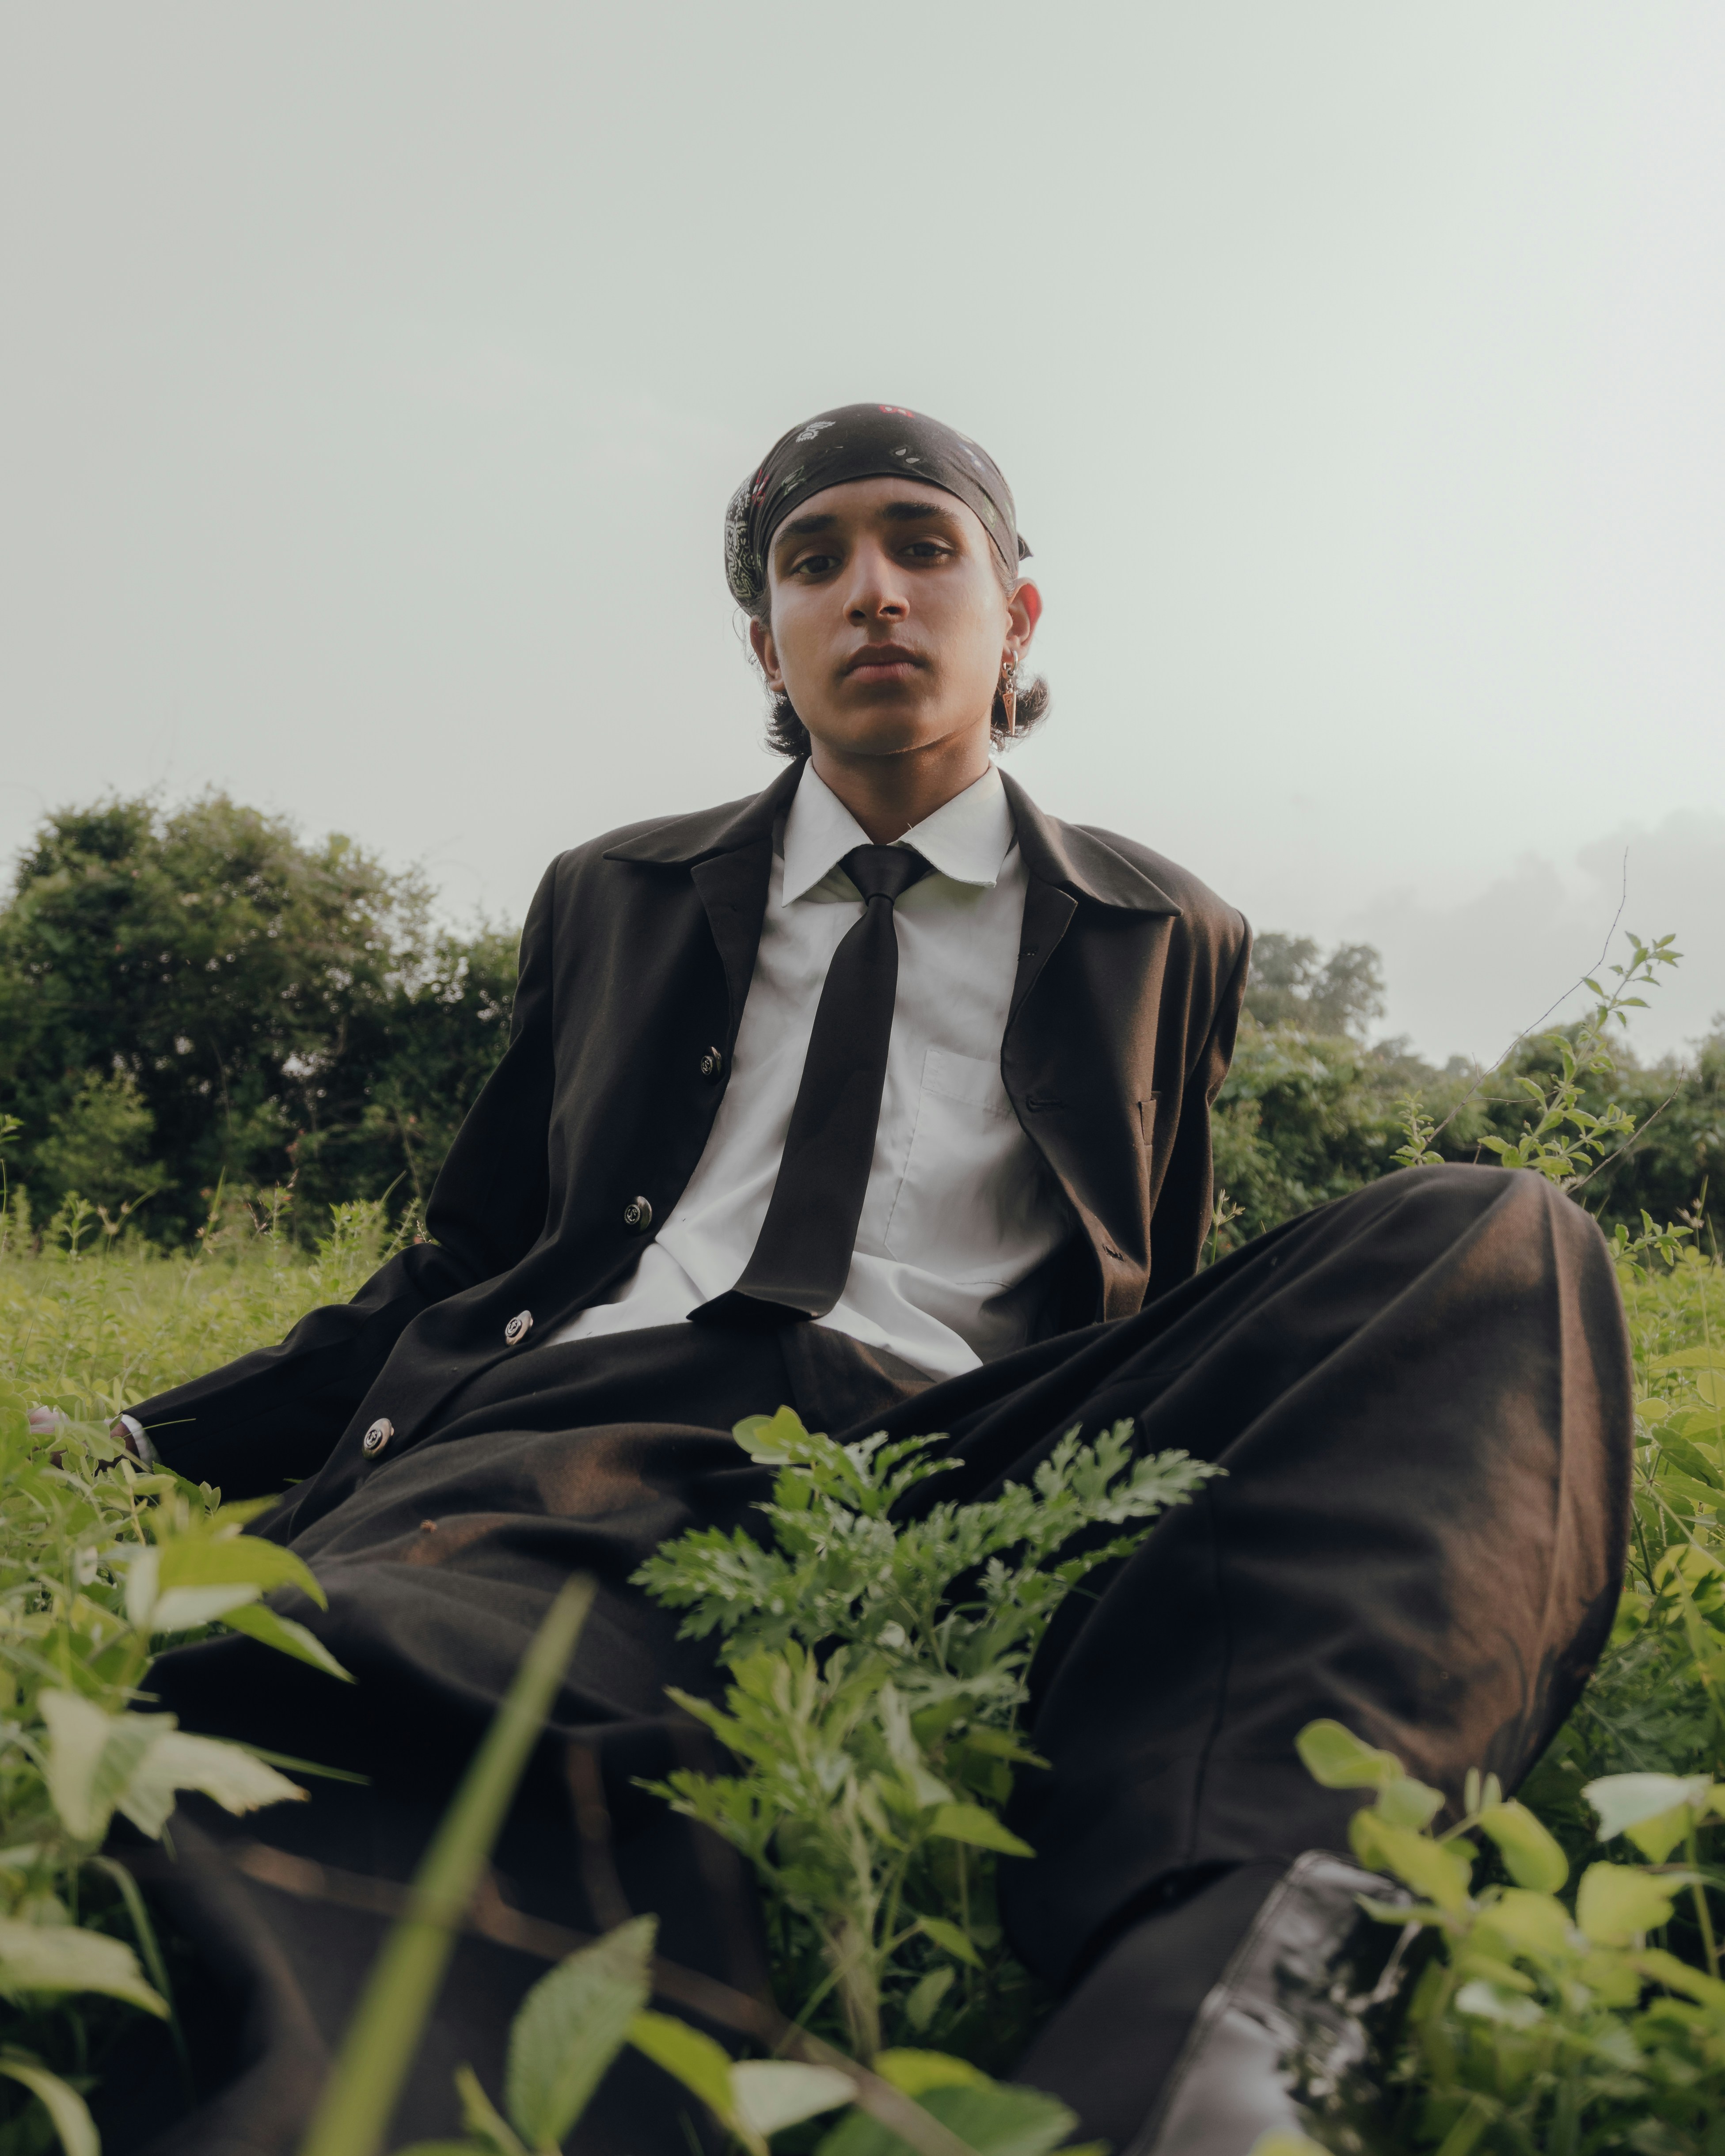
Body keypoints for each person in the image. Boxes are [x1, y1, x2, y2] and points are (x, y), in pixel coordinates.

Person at [111, 406, 1631, 2156]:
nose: (871, 591)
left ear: (1019, 615)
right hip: (610, 1414)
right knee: (404, 1665)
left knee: (1493, 1237)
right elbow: (472, 1257)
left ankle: (1222, 2031)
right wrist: (143, 1438)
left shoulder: (1169, 929)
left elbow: (1151, 1268)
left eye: (922, 542)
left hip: (981, 1441)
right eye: (812, 558)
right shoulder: (612, 891)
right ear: (767, 642)